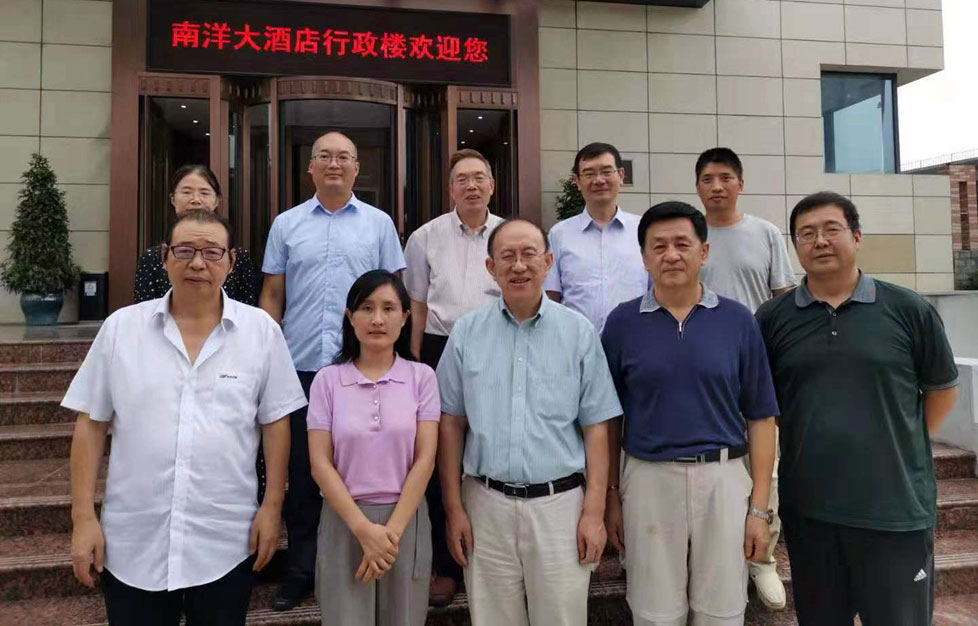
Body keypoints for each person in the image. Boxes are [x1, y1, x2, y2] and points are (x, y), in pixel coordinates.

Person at [65, 209, 306, 626]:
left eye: (212, 252)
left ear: (231, 262)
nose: (198, 263)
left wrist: (272, 507)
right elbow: (91, 425)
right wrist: (83, 517)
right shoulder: (121, 329)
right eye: (185, 251)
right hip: (133, 541)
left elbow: (275, 424)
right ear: (165, 257)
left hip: (225, 540)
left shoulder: (261, 332)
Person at [756, 192, 959, 626]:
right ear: (795, 246)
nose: (820, 241)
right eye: (806, 234)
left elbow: (942, 391)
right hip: (811, 511)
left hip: (895, 510)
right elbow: (762, 408)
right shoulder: (772, 319)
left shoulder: (908, 309)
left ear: (857, 236)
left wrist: (899, 439)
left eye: (832, 229)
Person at [437, 219, 622, 626]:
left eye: (528, 254)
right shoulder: (466, 332)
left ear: (548, 262)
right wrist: (454, 508)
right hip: (485, 505)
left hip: (561, 507)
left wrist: (594, 511)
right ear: (491, 267)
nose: (518, 265)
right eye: (507, 256)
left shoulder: (578, 332)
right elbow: (450, 423)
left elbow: (596, 426)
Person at [602, 201, 778, 626]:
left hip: (723, 478)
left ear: (704, 251)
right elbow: (608, 420)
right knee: (653, 611)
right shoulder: (622, 323)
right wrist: (610, 495)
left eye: (682, 244)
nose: (671, 255)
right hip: (647, 478)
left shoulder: (738, 321)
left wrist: (759, 508)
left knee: (722, 609)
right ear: (644, 257)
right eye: (658, 246)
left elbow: (761, 418)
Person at [260, 131, 406, 611]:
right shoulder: (286, 224)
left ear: (357, 167)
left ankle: (359, 558)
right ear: (311, 167)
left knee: (361, 471)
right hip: (300, 368)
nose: (334, 164)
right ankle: (301, 570)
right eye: (324, 156)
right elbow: (273, 295)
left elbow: (391, 295)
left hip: (360, 369)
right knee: (304, 475)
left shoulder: (379, 224)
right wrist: (266, 354)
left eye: (344, 156)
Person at [307, 270, 439, 626]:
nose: (377, 319)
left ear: (405, 317)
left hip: (406, 520)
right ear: (350, 317)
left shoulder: (422, 378)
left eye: (388, 308)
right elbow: (320, 463)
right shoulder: (327, 381)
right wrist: (364, 531)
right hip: (345, 520)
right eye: (366, 308)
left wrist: (389, 535)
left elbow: (425, 460)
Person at [694, 147, 795, 610]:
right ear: (697, 187)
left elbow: (783, 299)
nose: (717, 186)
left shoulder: (765, 233)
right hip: (698, 371)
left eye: (725, 177)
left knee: (764, 465)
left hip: (755, 368)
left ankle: (762, 559)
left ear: (740, 183)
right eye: (708, 179)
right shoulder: (689, 234)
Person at [402, 148, 503, 605]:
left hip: (499, 346)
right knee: (442, 452)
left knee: (490, 449)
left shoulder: (508, 234)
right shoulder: (425, 237)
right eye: (462, 179)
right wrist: (417, 360)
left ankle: (490, 558)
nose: (471, 185)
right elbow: (417, 303)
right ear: (450, 189)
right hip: (439, 349)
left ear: (492, 186)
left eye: (479, 177)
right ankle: (445, 565)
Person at [545, 142, 647, 333]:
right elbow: (552, 296)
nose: (599, 180)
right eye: (589, 174)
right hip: (575, 342)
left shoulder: (644, 230)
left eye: (606, 172)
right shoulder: (559, 234)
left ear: (621, 175)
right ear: (577, 181)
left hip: (634, 340)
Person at [134, 165, 260, 305]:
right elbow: (145, 311)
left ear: (217, 201)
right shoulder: (151, 258)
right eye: (186, 192)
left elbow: (245, 308)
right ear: (172, 198)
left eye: (204, 193)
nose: (195, 200)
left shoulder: (237, 257)